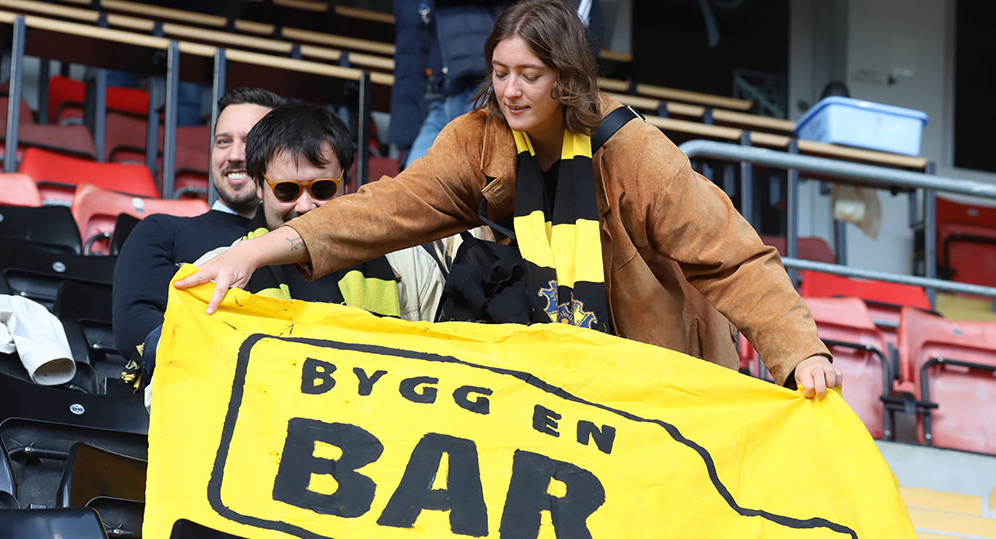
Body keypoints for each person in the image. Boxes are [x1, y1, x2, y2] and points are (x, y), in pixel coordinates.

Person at [177, 0, 842, 399]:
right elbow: (386, 208)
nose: (511, 91)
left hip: (659, 371)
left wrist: (801, 351)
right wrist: (255, 252)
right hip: (552, 375)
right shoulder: (478, 140)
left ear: (567, 78)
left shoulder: (638, 154)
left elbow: (735, 258)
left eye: (530, 75)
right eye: (500, 73)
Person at [199, 102, 443, 322]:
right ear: (258, 185)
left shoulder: (410, 264)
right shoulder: (217, 273)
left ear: (345, 183)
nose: (305, 206)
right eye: (286, 190)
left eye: (322, 189)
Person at [112, 87, 287, 386]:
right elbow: (134, 326)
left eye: (250, 142)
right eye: (223, 142)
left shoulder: (301, 247)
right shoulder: (163, 232)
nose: (235, 155)